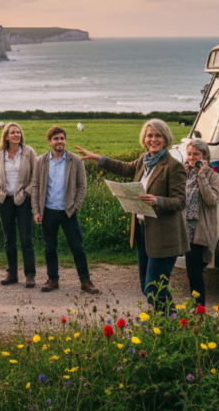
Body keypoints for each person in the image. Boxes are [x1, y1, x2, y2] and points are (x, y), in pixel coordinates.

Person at [77, 119, 188, 309]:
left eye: (158, 135)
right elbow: (123, 167)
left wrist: (157, 200)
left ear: (166, 138)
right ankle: (171, 317)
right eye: (149, 135)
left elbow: (180, 202)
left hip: (164, 236)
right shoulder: (144, 161)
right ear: (144, 138)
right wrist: (98, 158)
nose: (153, 139)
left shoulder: (173, 166)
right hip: (143, 232)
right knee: (147, 286)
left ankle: (166, 321)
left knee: (153, 289)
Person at [30, 126, 98, 294]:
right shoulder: (41, 161)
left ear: (65, 140)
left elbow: (82, 186)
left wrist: (75, 206)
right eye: (56, 139)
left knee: (77, 247)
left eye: (62, 138)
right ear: (49, 141)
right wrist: (36, 210)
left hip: (68, 212)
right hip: (48, 211)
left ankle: (85, 281)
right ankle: (53, 279)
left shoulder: (75, 160)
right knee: (49, 247)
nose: (59, 141)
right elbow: (36, 186)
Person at [0, 122, 38, 287]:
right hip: (4, 200)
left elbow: (35, 178)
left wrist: (25, 194)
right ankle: (11, 273)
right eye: (13, 132)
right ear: (6, 136)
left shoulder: (28, 152)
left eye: (18, 132)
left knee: (26, 238)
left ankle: (30, 274)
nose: (16, 135)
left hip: (24, 200)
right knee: (9, 238)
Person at [181, 139, 219, 306]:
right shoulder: (181, 172)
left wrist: (202, 175)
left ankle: (199, 308)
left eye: (196, 154)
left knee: (195, 272)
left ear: (205, 156)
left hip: (198, 230)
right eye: (189, 153)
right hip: (182, 228)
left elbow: (212, 200)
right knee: (189, 271)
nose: (191, 157)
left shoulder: (213, 176)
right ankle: (194, 307)